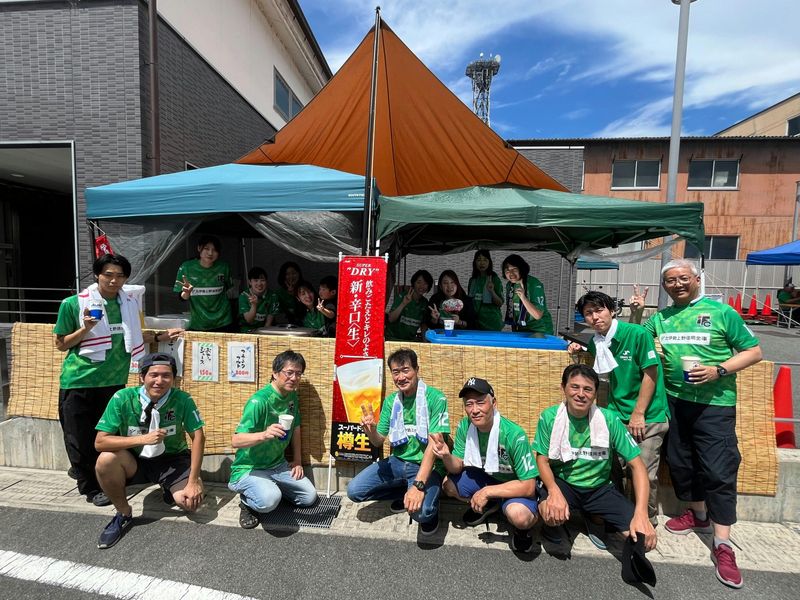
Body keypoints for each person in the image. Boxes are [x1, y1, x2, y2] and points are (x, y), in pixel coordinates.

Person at [634, 259, 762, 589]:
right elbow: (635, 339)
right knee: (682, 463)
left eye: (683, 278)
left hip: (715, 405)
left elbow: (753, 351)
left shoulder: (721, 312)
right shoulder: (661, 318)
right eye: (670, 280)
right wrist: (636, 313)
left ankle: (723, 544)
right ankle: (698, 514)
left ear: (696, 279)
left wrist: (718, 370)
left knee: (718, 471)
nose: (677, 284)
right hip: (676, 402)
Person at [54, 254, 179, 507]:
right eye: (108, 275)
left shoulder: (128, 304)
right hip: (79, 382)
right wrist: (86, 328)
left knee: (111, 435)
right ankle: (89, 487)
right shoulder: (74, 304)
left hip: (114, 384)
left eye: (120, 276)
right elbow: (61, 343)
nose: (114, 280)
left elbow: (131, 335)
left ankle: (105, 476)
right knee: (80, 439)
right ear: (97, 275)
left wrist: (159, 336)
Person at [568, 291, 668, 526]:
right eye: (588, 313)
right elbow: (596, 360)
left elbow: (651, 373)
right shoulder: (596, 342)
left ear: (612, 311)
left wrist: (638, 414)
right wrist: (578, 347)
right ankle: (622, 518)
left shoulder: (637, 334)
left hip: (647, 415)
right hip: (616, 414)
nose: (595, 317)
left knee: (643, 470)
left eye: (599, 310)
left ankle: (647, 522)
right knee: (614, 471)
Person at [533, 364, 657, 554]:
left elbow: (637, 466)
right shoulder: (549, 417)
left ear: (595, 394)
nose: (580, 394)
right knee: (549, 512)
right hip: (564, 483)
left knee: (642, 540)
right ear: (563, 388)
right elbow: (542, 460)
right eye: (575, 387)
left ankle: (593, 518)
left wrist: (642, 514)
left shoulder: (609, 420)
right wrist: (553, 491)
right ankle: (554, 527)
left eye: (588, 389)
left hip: (599, 488)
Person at [94, 352, 205, 549]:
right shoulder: (122, 398)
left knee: (190, 503)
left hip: (172, 459)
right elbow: (100, 442)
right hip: (135, 459)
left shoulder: (183, 399)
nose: (159, 381)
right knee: (105, 460)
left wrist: (193, 480)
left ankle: (170, 487)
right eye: (153, 375)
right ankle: (123, 513)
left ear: (174, 378)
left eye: (166, 375)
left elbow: (198, 437)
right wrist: (142, 439)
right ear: (141, 377)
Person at [346, 348, 450, 536]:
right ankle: (406, 495)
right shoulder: (391, 402)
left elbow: (434, 445)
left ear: (417, 369)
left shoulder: (436, 398)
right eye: (396, 372)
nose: (401, 377)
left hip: (427, 466)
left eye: (405, 370)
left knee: (422, 513)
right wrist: (370, 430)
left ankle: (429, 503)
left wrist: (418, 486)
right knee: (354, 491)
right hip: (398, 461)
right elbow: (378, 441)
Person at [434, 377, 539, 553]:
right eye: (469, 404)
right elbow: (457, 467)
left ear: (494, 403)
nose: (474, 410)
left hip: (514, 484)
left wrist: (487, 492)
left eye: (480, 402)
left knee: (519, 517)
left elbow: (529, 486)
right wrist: (446, 456)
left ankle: (522, 530)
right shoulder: (465, 426)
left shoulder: (514, 435)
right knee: (448, 485)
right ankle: (490, 505)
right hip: (488, 477)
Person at [228, 350, 318, 529]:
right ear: (275, 373)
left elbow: (296, 427)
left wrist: (297, 460)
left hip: (278, 465)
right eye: (289, 372)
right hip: (249, 468)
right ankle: (246, 503)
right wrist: (264, 434)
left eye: (298, 373)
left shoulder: (291, 396)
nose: (294, 378)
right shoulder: (259, 401)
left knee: (308, 497)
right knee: (269, 502)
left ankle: (270, 489)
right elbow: (235, 440)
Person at [174, 235, 233, 331]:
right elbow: (181, 297)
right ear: (199, 248)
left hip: (223, 321)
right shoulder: (186, 268)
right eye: (206, 248)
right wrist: (186, 293)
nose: (210, 253)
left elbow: (229, 289)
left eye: (214, 250)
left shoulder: (224, 267)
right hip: (198, 323)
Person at [501, 254, 553, 335]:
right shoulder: (510, 285)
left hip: (540, 330)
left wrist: (523, 297)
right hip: (521, 330)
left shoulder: (534, 284)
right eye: (507, 270)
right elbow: (513, 311)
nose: (511, 273)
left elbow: (538, 315)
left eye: (514, 269)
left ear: (521, 269)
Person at [385, 269, 434, 341]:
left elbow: (423, 325)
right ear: (413, 283)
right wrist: (403, 304)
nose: (421, 286)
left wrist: (425, 342)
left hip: (410, 341)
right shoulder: (402, 296)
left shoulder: (425, 303)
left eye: (425, 283)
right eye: (419, 282)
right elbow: (391, 319)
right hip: (393, 339)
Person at [467, 249, 505, 331]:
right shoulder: (472, 280)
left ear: (489, 262)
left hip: (492, 323)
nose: (482, 263)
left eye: (485, 260)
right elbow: (470, 301)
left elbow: (500, 303)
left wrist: (492, 291)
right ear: (475, 263)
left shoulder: (494, 279)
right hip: (476, 323)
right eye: (479, 260)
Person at [238, 266, 280, 332]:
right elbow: (249, 320)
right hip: (246, 330)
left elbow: (268, 323)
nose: (259, 283)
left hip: (263, 330)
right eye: (256, 280)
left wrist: (262, 334)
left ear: (266, 281)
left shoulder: (272, 296)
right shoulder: (244, 296)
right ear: (250, 282)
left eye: (262, 280)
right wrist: (254, 305)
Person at [276, 261, 304, 325]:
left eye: (294, 273)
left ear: (299, 274)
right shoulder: (278, 294)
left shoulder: (306, 290)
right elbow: (278, 317)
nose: (291, 276)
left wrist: (294, 295)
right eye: (287, 274)